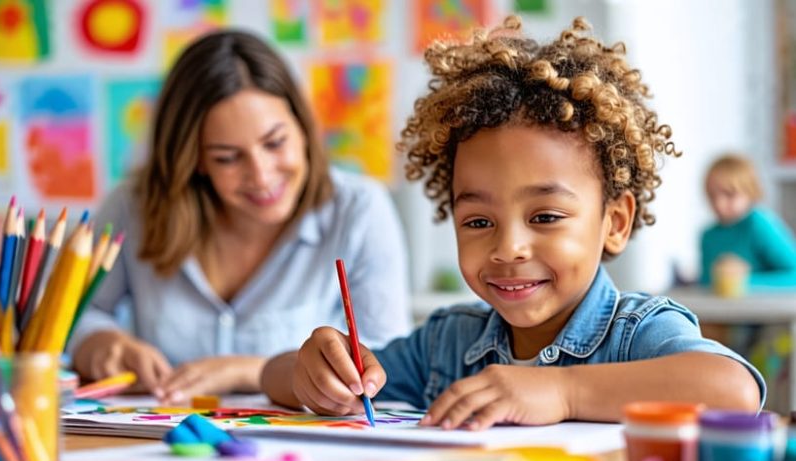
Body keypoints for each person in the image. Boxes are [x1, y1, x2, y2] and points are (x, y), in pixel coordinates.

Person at [262, 16, 765, 429]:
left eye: (545, 216)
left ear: (614, 221)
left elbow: (734, 390)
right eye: (479, 221)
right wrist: (314, 370)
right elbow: (275, 376)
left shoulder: (637, 334)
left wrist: (562, 392)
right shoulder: (448, 342)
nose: (509, 248)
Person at [68, 30, 411, 403]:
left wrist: (245, 370)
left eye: (275, 142)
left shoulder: (358, 210)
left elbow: (390, 361)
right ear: (194, 158)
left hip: (297, 453)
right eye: (227, 158)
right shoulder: (132, 207)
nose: (261, 177)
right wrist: (101, 343)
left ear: (303, 128)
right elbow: (69, 319)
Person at [700, 153, 796, 289]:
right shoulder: (708, 236)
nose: (719, 203)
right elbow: (705, 285)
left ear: (750, 191)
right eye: (712, 195)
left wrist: (743, 281)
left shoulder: (759, 224)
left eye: (729, 194)